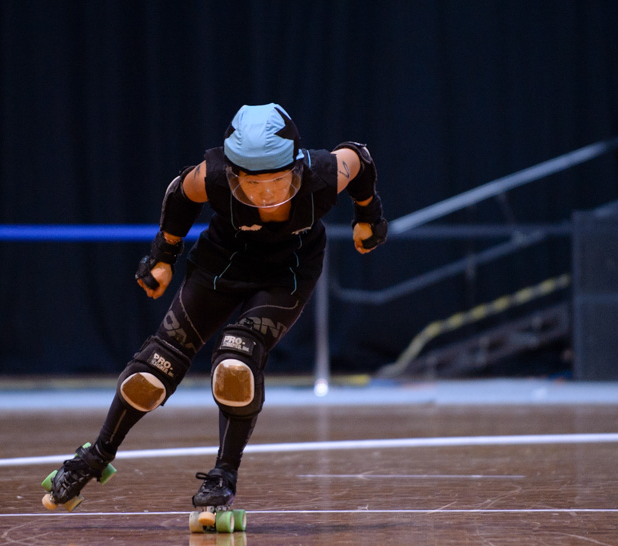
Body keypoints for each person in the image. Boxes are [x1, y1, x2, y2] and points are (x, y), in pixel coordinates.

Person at [43, 103, 388, 514]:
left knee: (235, 364)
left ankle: (224, 474)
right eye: (251, 186)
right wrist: (162, 255)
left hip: (288, 273)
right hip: (222, 263)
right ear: (233, 174)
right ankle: (96, 455)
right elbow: (180, 192)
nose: (264, 196)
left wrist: (369, 215)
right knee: (153, 370)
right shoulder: (215, 176)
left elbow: (360, 157)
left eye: (277, 184)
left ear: (297, 169)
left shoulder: (323, 173)